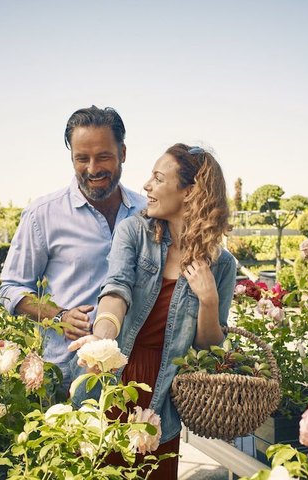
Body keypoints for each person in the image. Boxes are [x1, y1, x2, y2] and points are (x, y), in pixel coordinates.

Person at [68, 143, 237, 478]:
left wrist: (209, 300)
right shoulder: (134, 232)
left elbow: (208, 349)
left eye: (159, 178)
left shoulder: (222, 265)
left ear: (190, 193)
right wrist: (101, 341)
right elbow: (116, 289)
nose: (146, 185)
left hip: (162, 398)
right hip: (115, 378)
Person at [0, 106, 146, 390]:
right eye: (82, 158)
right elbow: (10, 289)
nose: (92, 169)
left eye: (103, 156)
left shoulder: (148, 213)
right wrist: (58, 315)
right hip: (67, 376)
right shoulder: (42, 214)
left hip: (136, 374)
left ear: (123, 153)